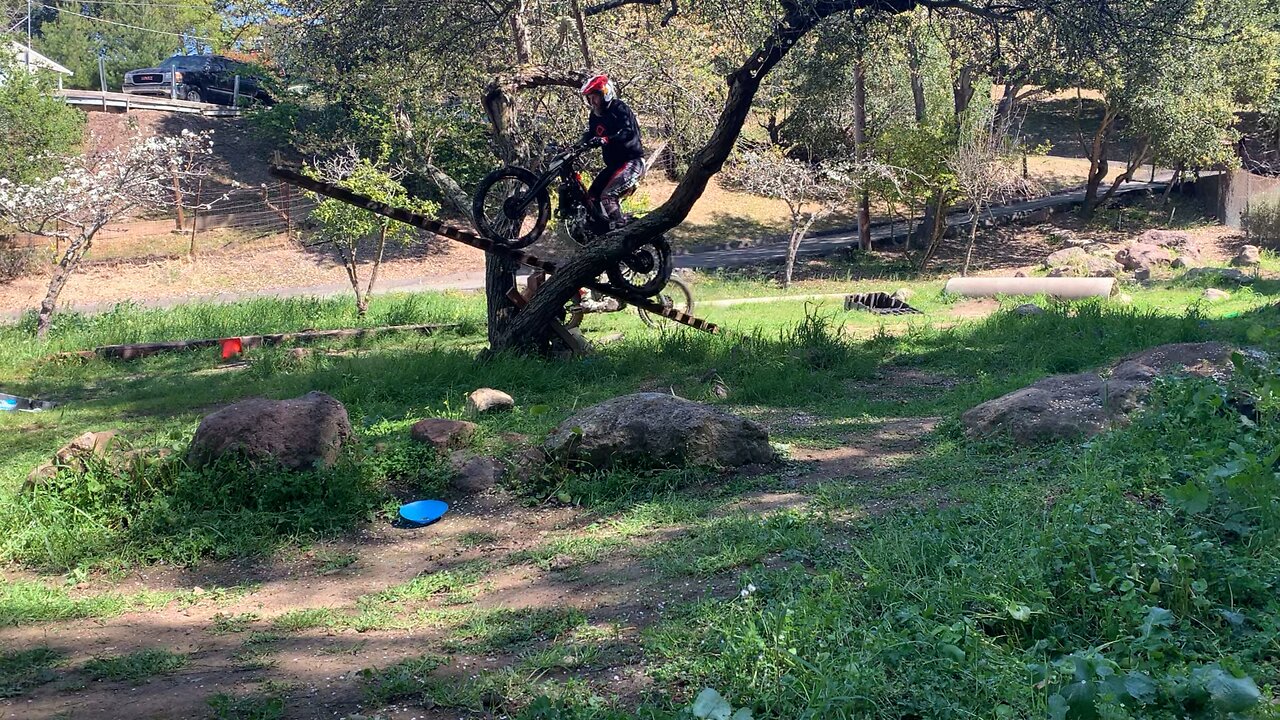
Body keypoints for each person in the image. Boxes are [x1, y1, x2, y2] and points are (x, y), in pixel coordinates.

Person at [579, 74, 645, 232]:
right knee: (591, 196)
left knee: (608, 195)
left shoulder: (620, 108)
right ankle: (600, 230)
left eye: (594, 97)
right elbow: (590, 134)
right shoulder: (594, 116)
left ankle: (620, 231)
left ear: (605, 93)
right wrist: (574, 146)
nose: (592, 102)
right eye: (589, 98)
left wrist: (606, 139)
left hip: (632, 162)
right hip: (614, 166)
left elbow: (628, 132)